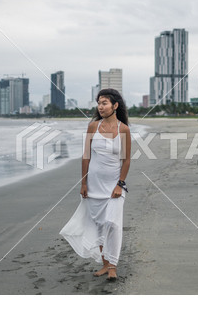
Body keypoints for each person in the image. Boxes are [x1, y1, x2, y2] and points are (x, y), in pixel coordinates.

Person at [60, 88, 131, 281]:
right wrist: (83, 184)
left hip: (114, 185)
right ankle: (105, 264)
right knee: (99, 224)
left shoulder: (123, 129)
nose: (100, 106)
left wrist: (119, 184)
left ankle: (113, 266)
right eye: (99, 103)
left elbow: (126, 160)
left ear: (115, 106)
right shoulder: (93, 127)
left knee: (113, 224)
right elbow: (86, 157)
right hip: (94, 185)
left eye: (104, 103)